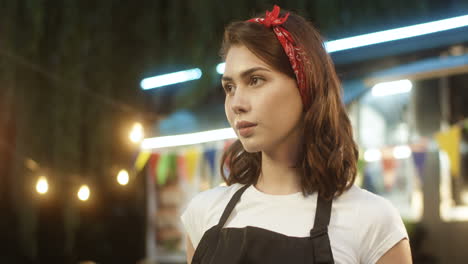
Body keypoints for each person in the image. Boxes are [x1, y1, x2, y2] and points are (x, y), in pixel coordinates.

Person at [181, 5, 411, 264]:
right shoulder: (203, 213)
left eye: (255, 80)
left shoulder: (371, 222)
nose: (236, 103)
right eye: (229, 87)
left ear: (306, 85)